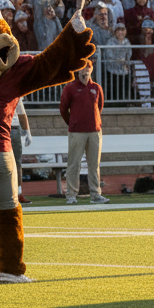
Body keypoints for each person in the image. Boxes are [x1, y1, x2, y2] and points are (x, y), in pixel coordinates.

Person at [58, 59, 109, 205]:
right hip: (77, 132)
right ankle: (71, 195)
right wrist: (73, 122)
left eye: (87, 68)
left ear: (91, 70)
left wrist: (94, 122)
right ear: (77, 71)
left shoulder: (96, 88)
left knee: (94, 165)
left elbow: (99, 107)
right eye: (82, 68)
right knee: (74, 164)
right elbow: (63, 109)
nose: (85, 71)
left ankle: (96, 194)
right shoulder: (70, 88)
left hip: (94, 131)